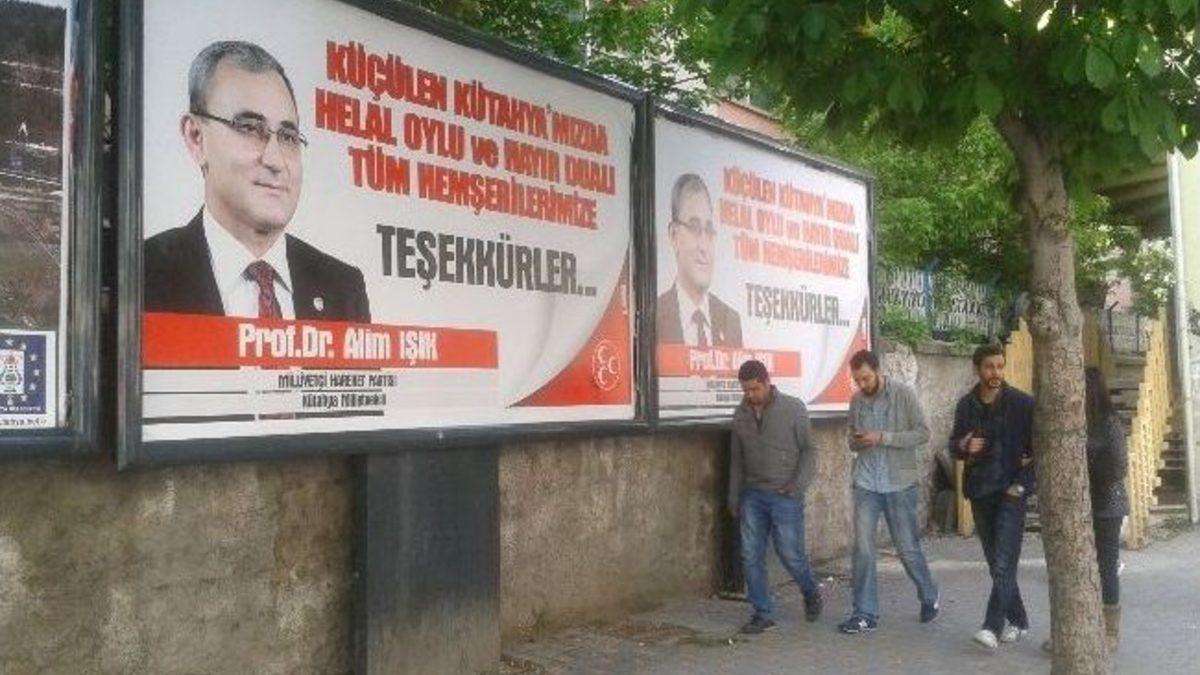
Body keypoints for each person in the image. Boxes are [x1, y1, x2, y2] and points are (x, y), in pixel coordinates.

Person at [144, 40, 370, 322]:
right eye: (250, 128)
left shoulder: (343, 287)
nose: (275, 160)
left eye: (287, 137)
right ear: (196, 137)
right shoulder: (143, 272)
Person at [837, 349, 940, 634]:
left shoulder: (903, 394)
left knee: (907, 549)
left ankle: (929, 594)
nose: (862, 385)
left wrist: (883, 437)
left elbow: (923, 433)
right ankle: (864, 613)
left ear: (878, 371)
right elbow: (851, 440)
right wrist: (858, 441)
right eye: (858, 380)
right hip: (866, 483)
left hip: (899, 484)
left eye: (866, 378)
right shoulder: (857, 400)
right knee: (863, 549)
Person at [950, 343, 1036, 649]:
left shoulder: (1022, 404)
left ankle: (991, 626)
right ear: (978, 369)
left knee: (1003, 561)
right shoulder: (966, 405)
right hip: (980, 491)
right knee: (996, 562)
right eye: (989, 367)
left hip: (1011, 492)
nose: (996, 372)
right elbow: (954, 445)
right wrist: (964, 446)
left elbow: (1039, 450)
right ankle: (1019, 620)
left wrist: (1022, 485)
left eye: (1000, 366)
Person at [728, 359, 822, 633]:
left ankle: (810, 591)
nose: (750, 395)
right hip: (752, 495)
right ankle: (763, 612)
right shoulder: (740, 414)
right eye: (745, 390)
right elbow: (736, 459)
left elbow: (809, 451)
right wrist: (733, 497)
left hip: (785, 495)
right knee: (750, 555)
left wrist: (797, 485)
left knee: (790, 554)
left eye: (755, 389)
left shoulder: (793, 408)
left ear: (767, 382)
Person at [1042, 367, 1129, 655]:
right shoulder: (1071, 423)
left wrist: (1089, 472)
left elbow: (1119, 466)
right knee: (1072, 566)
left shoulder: (1109, 423)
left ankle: (1110, 630)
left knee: (1106, 566)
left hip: (1106, 505)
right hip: (1075, 506)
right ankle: (1072, 628)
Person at [657, 173, 742, 347]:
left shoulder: (731, 321)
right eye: (694, 228)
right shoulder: (654, 316)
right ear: (674, 235)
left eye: (709, 230)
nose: (703, 246)